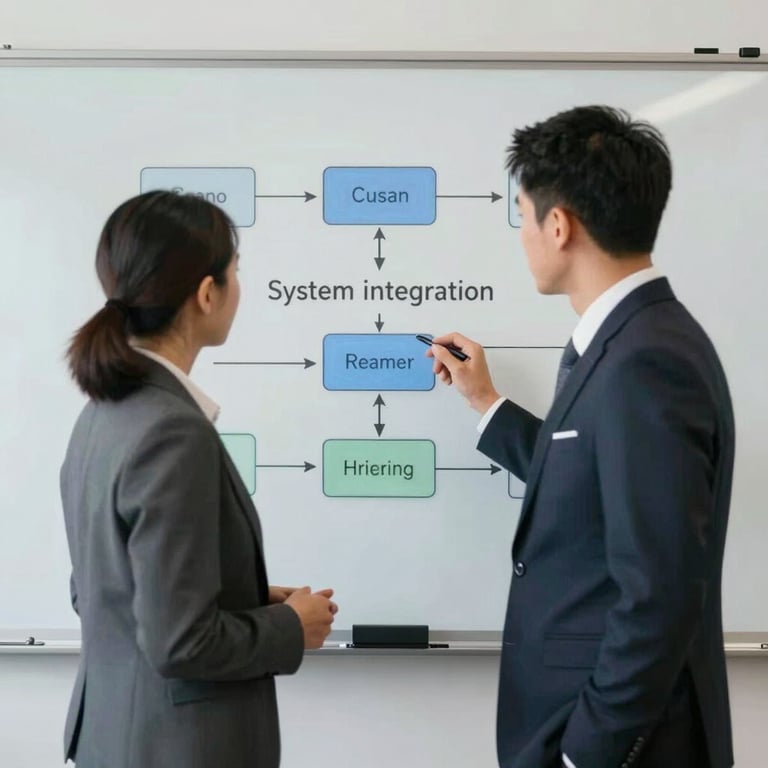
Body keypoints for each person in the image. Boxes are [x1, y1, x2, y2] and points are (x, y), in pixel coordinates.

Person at [427, 106, 734, 768]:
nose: (523, 234)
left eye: (523, 214)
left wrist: (586, 753)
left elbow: (658, 591)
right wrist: (485, 401)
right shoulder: (631, 343)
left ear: (558, 225)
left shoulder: (647, 361)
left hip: (620, 749)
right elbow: (593, 484)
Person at [61, 190, 337, 768]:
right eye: (235, 274)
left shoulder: (102, 414)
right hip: (176, 748)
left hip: (116, 737)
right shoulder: (171, 431)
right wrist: (289, 626)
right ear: (207, 293)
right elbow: (180, 643)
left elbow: (102, 589)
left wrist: (245, 596)